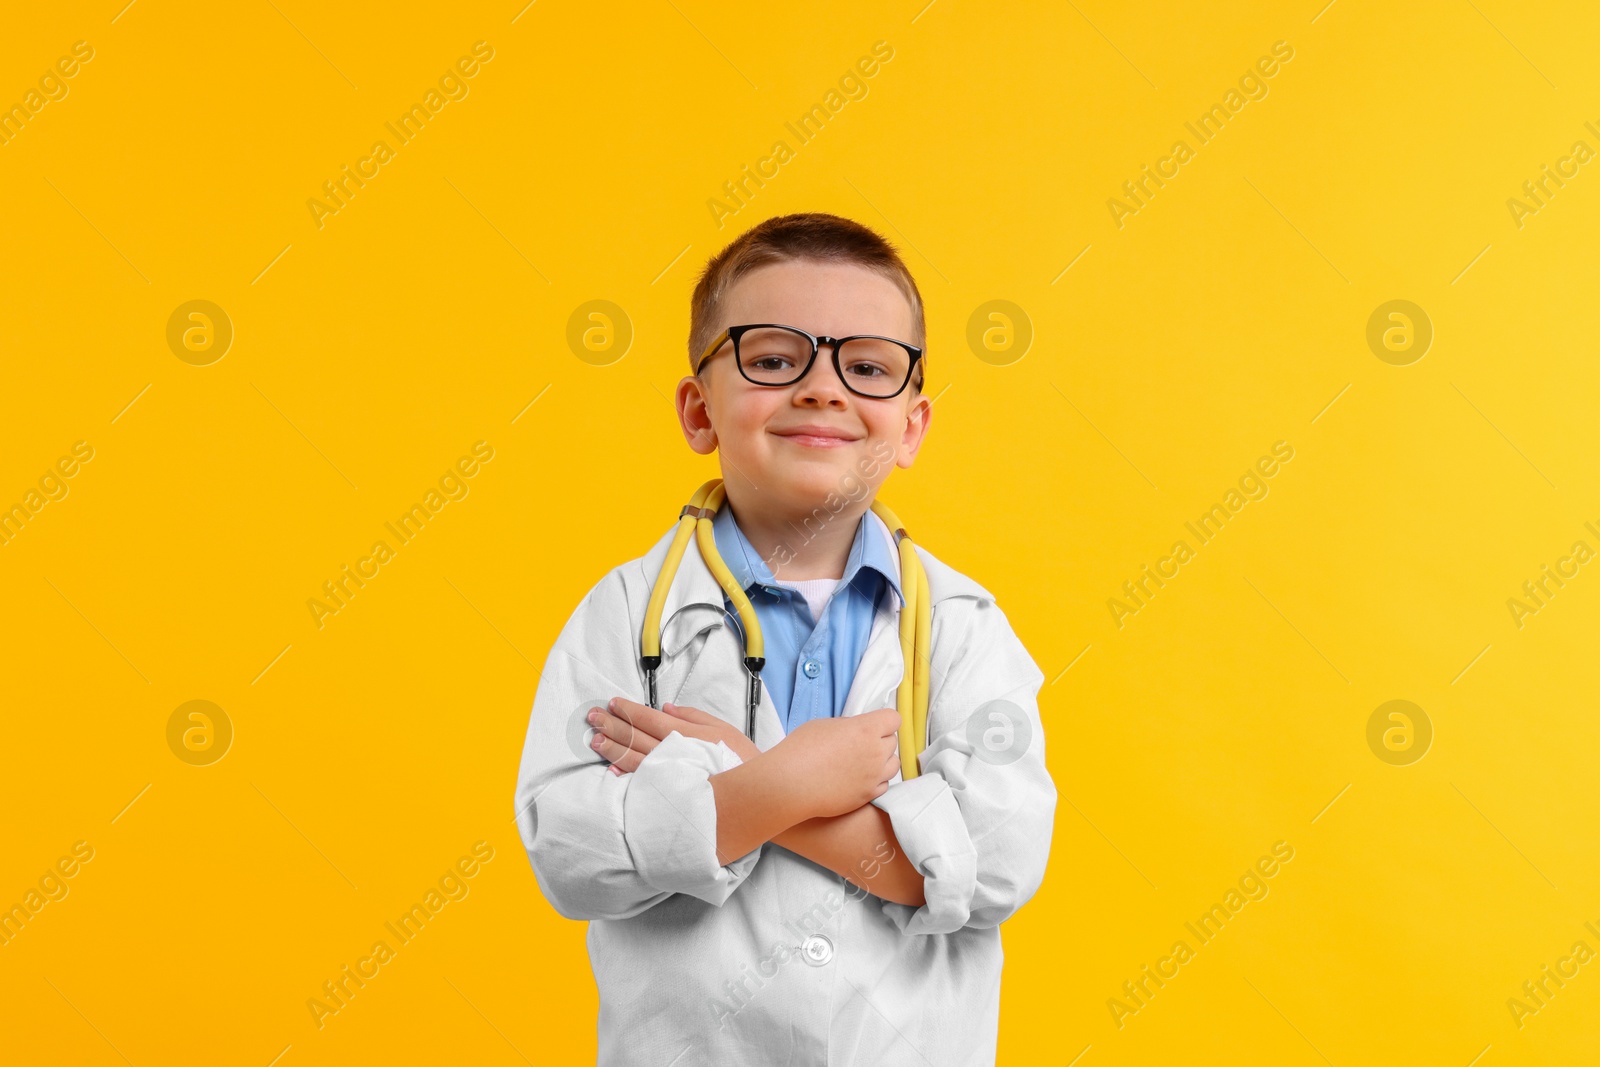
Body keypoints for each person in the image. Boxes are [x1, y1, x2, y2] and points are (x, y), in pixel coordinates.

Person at [513, 212, 1056, 1066]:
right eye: (773, 360)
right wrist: (796, 787)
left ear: (912, 426)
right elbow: (572, 851)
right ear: (700, 410)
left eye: (868, 367)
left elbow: (993, 869)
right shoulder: (626, 613)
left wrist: (744, 777)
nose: (823, 388)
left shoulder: (962, 627)